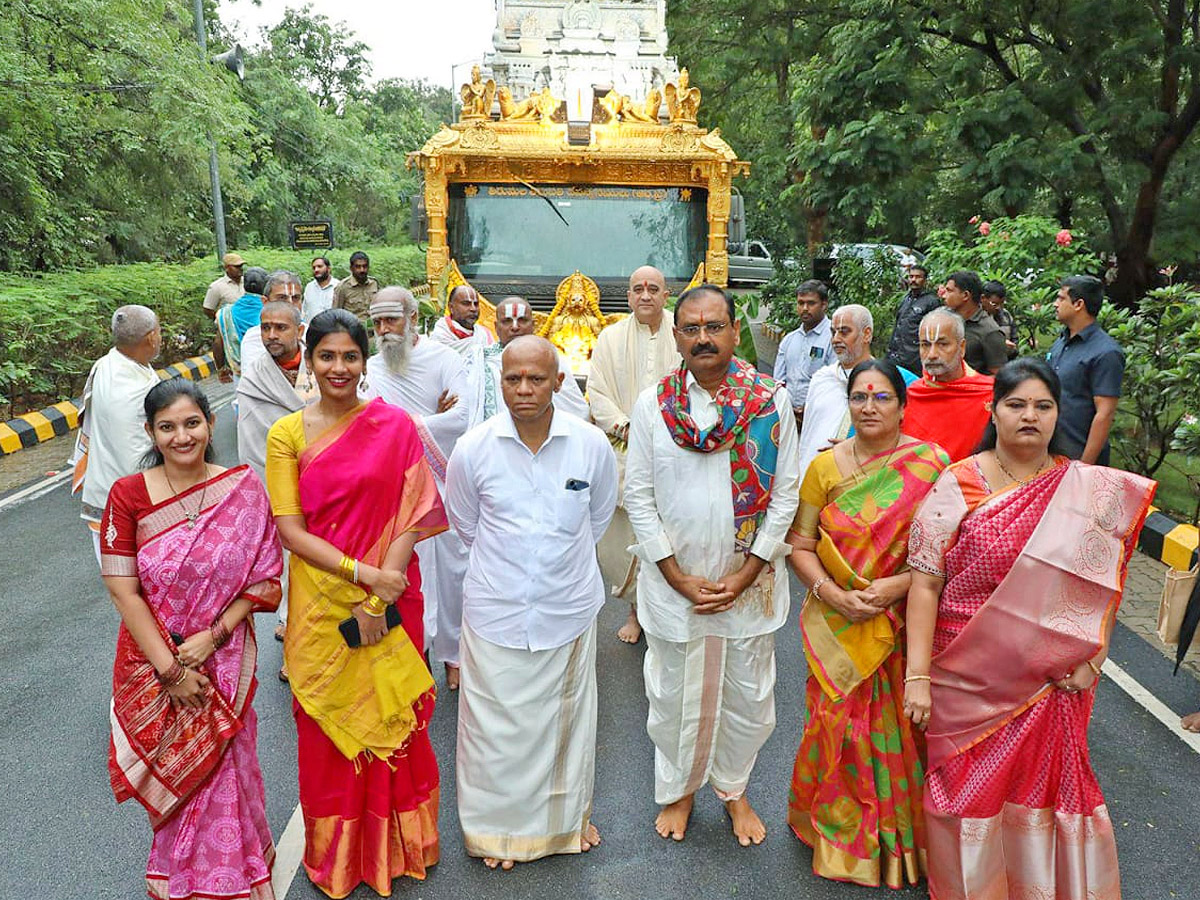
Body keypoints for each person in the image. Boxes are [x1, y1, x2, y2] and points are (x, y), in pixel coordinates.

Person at [904, 358, 1156, 900]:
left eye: (1043, 406)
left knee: (1038, 793)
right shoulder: (958, 484)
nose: (1030, 416)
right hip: (964, 675)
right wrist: (917, 677)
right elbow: (924, 584)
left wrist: (1094, 660)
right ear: (992, 411)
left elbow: (1104, 585)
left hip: (1049, 685)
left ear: (1058, 414)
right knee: (963, 796)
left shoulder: (1085, 494)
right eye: (1016, 404)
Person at [265, 309, 448, 897]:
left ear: (364, 362)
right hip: (322, 608)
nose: (338, 368)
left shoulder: (394, 426)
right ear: (309, 361)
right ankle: (342, 857)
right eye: (326, 356)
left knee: (396, 721)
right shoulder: (287, 435)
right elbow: (290, 530)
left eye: (349, 357)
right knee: (327, 735)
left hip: (391, 599)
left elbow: (413, 509)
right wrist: (365, 575)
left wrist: (381, 592)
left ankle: (401, 847)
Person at [624, 284, 800, 846]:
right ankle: (679, 789)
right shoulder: (653, 404)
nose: (703, 338)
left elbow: (787, 495)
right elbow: (639, 497)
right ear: (676, 336)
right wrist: (675, 576)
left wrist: (748, 571)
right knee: (672, 695)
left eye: (715, 326)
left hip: (748, 584)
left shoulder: (769, 400)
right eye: (692, 329)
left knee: (749, 699)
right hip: (674, 585)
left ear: (733, 330)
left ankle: (734, 789)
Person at [102, 379, 282, 900]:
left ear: (210, 423)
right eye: (167, 427)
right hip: (157, 664)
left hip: (223, 662)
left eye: (191, 423)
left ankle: (238, 880)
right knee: (185, 784)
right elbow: (123, 589)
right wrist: (173, 672)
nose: (182, 436)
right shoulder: (129, 496)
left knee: (227, 774)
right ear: (151, 433)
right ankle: (185, 886)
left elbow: (266, 579)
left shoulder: (243, 488)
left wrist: (215, 635)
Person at [446, 336, 618, 870]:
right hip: (495, 609)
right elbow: (465, 526)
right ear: (500, 383)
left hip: (566, 609)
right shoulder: (473, 447)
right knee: (492, 733)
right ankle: (495, 834)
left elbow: (598, 520)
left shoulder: (590, 445)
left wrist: (551, 572)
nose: (523, 389)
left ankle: (560, 827)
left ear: (559, 383)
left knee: (562, 725)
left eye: (536, 379)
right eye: (512, 379)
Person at [785, 359, 949, 887]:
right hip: (838, 624)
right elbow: (800, 546)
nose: (869, 407)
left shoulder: (933, 465)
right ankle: (840, 839)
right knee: (838, 730)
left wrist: (896, 587)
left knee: (900, 731)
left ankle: (901, 843)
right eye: (860, 397)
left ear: (903, 405)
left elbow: (953, 550)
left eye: (882, 397)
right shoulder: (824, 468)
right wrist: (831, 592)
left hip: (904, 625)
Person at [364, 288, 472, 690]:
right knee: (406, 573)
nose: (384, 330)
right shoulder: (372, 366)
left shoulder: (444, 359)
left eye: (391, 320)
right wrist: (427, 418)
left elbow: (461, 415)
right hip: (394, 487)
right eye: (377, 323)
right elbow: (366, 418)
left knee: (452, 572)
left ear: (412, 317)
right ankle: (414, 652)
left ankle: (454, 655)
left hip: (442, 483)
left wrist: (401, 422)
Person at [587, 265, 681, 644]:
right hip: (624, 448)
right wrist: (628, 427)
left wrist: (668, 431)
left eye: (653, 288)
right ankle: (634, 610)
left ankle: (666, 610)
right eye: (638, 289)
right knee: (623, 536)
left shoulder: (683, 333)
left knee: (672, 533)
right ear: (628, 296)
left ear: (665, 294)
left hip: (676, 449)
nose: (645, 295)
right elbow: (597, 391)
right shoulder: (609, 338)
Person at [72, 305, 161, 564]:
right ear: (151, 338)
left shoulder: (105, 364)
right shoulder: (140, 389)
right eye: (159, 331)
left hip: (102, 493)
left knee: (121, 586)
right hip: (138, 500)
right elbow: (138, 451)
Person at [465, 296, 589, 425]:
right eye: (507, 321)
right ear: (496, 327)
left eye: (522, 320)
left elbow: (578, 412)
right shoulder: (478, 360)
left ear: (533, 325)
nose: (515, 327)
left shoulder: (551, 357)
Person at [1046, 275, 1124, 464]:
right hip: (1049, 452)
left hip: (1077, 456)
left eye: (1061, 298)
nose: (1055, 304)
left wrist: (1084, 466)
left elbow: (1104, 414)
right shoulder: (1061, 342)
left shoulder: (1106, 352)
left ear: (1078, 304)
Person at [796, 304, 876, 478]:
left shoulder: (883, 383)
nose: (836, 339)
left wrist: (857, 448)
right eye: (833, 332)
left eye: (844, 332)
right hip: (812, 477)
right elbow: (808, 435)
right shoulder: (822, 379)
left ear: (866, 334)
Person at [904, 308, 995, 461]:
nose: (932, 354)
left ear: (962, 348)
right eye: (925, 345)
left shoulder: (990, 395)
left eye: (943, 344)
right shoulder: (910, 396)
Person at [772, 279, 833, 428]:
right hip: (789, 419)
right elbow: (778, 382)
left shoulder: (834, 337)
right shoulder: (789, 340)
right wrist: (787, 409)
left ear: (824, 305)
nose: (805, 308)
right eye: (800, 303)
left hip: (822, 418)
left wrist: (809, 408)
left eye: (811, 303)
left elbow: (835, 381)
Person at [940, 270, 1007, 375]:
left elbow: (998, 376)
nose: (944, 296)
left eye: (949, 291)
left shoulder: (989, 331)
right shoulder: (945, 320)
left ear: (965, 295)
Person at [241, 270, 304, 374]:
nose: (290, 304)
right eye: (282, 298)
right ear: (265, 302)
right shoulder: (254, 339)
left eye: (296, 298)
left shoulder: (311, 333)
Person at [215, 265, 268, 379]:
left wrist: (221, 369)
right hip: (270, 370)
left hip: (242, 374)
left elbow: (218, 343)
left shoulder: (226, 312)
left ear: (244, 286)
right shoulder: (273, 311)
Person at [886, 264, 941, 373]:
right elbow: (898, 326)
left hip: (915, 360)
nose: (913, 280)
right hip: (896, 357)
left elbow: (934, 333)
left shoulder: (931, 302)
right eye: (911, 277)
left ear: (925, 280)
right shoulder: (906, 299)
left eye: (918, 277)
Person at [431, 284, 497, 353]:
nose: (473, 309)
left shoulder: (484, 334)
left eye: (476, 304)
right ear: (451, 308)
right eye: (466, 304)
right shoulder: (440, 336)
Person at [331, 250, 378, 321]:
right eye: (358, 267)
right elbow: (336, 313)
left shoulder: (374, 284)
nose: (362, 270)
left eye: (364, 266)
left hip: (373, 328)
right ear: (351, 268)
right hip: (352, 328)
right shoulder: (343, 287)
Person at [981, 279, 1018, 358]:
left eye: (1001, 303)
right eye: (994, 303)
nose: (998, 307)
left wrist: (1011, 349)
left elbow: (1015, 342)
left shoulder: (1006, 316)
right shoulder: (974, 317)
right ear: (983, 298)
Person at [202, 252, 245, 319]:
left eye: (241, 266)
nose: (240, 269)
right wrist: (222, 321)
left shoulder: (248, 283)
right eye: (236, 266)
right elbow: (208, 309)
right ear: (227, 268)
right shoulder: (216, 286)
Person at [302, 256, 339, 323]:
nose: (316, 270)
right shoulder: (309, 287)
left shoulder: (338, 286)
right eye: (314, 268)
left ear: (329, 268)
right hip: (311, 330)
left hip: (332, 330)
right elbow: (304, 310)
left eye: (320, 266)